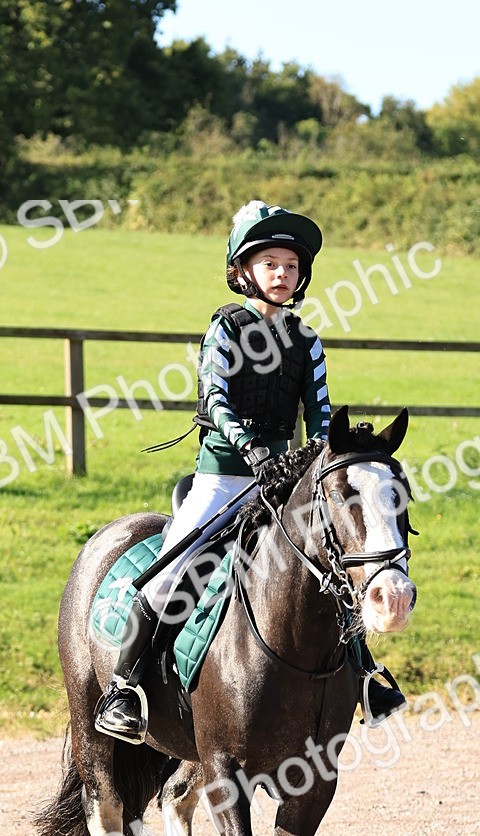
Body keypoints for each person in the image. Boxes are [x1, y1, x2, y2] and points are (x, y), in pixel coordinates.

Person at [95, 200, 405, 742]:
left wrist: (326, 463)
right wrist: (250, 448)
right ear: (244, 271)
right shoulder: (224, 330)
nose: (281, 273)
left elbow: (323, 415)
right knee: (171, 575)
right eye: (270, 264)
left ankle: (366, 676)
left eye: (290, 264)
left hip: (284, 483)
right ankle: (125, 689)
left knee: (334, 569)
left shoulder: (307, 342)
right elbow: (214, 398)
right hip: (223, 479)